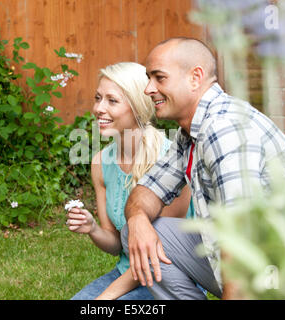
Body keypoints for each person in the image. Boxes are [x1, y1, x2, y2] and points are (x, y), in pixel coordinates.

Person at [122, 37, 285, 299]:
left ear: (195, 77)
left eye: (159, 78)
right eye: (148, 78)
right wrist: (137, 220)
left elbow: (241, 238)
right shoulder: (190, 131)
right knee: (143, 232)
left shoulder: (224, 129)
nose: (148, 89)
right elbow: (146, 192)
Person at [68, 62, 195, 300]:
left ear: (137, 106)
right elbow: (117, 244)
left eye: (112, 101)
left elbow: (160, 246)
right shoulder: (101, 163)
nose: (99, 108)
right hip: (127, 273)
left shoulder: (171, 161)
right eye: (98, 98)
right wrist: (92, 229)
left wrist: (103, 299)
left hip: (168, 274)